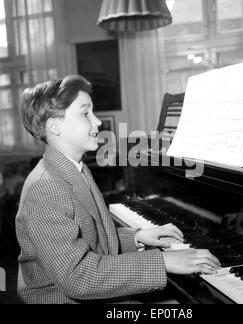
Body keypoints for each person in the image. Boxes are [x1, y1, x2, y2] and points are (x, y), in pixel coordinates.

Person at [15, 75, 221, 304]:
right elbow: (79, 277)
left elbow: (94, 239)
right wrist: (163, 261)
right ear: (54, 126)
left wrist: (139, 237)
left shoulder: (76, 169)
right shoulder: (45, 188)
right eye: (85, 114)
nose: (98, 122)